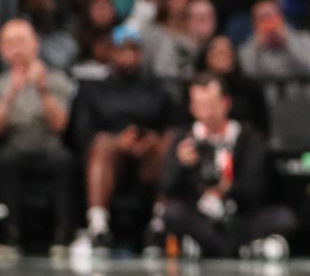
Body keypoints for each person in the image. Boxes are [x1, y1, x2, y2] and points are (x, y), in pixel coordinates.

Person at [157, 74, 292, 259]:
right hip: (200, 216)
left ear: (226, 103)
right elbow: (165, 188)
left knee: (282, 218)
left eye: (212, 104)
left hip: (238, 216)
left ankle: (209, 248)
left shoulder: (249, 137)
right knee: (172, 213)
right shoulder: (183, 139)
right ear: (192, 108)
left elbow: (256, 189)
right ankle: (240, 250)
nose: (207, 113)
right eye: (201, 105)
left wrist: (226, 187)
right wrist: (180, 165)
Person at [69, 25, 178, 251]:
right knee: (102, 144)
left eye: (133, 50)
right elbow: (81, 132)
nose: (128, 56)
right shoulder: (93, 89)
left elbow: (174, 126)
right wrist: (118, 142)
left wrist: (150, 140)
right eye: (122, 50)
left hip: (149, 156)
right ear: (110, 52)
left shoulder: (157, 89)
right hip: (108, 157)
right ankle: (98, 227)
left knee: (168, 143)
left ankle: (159, 225)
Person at [0, 19, 76, 254]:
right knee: (4, 162)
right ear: (2, 49)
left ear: (35, 44)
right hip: (14, 148)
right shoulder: (2, 84)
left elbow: (60, 125)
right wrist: (10, 94)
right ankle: (8, 235)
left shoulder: (56, 79)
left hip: (48, 147)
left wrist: (42, 89)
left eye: (21, 41)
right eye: (10, 43)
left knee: (65, 162)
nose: (17, 49)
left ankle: (64, 235)